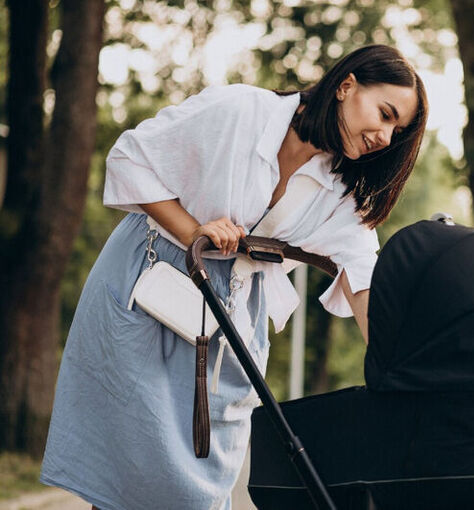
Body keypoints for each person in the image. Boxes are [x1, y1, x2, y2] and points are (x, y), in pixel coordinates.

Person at [40, 44, 428, 510]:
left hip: (231, 317)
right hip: (153, 284)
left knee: (204, 482)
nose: (385, 137)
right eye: (385, 114)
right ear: (346, 86)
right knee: (134, 473)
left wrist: (394, 372)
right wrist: (195, 231)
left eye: (396, 130)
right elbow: (129, 158)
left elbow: (362, 277)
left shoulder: (341, 191)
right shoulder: (242, 111)